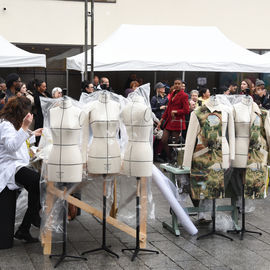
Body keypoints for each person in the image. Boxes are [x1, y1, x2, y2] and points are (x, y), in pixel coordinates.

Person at [0, 96, 43, 243]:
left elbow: (18, 139)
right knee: (38, 182)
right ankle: (30, 222)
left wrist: (32, 133)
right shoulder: (5, 124)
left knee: (37, 186)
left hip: (16, 165)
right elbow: (11, 145)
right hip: (9, 167)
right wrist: (25, 127)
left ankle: (25, 228)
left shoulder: (12, 123)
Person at [157, 79, 189, 162]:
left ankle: (174, 160)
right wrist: (161, 120)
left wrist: (176, 112)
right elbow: (168, 109)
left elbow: (186, 110)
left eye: (179, 84)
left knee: (174, 143)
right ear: (174, 84)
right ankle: (170, 158)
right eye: (175, 83)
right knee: (164, 140)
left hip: (177, 122)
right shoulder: (172, 93)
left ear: (182, 85)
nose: (177, 85)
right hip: (169, 122)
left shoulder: (184, 95)